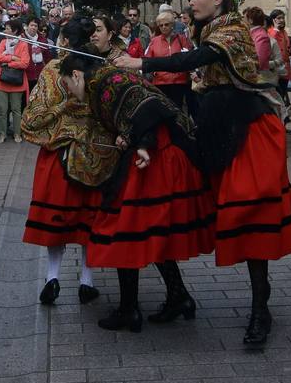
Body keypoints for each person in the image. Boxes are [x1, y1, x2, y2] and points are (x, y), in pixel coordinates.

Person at [116, 0, 291, 348]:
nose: (191, 2)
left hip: (247, 128)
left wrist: (142, 64)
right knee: (174, 201)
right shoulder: (210, 28)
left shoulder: (231, 30)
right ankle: (177, 292)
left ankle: (259, 307)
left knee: (248, 214)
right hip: (215, 125)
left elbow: (198, 60)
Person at [59, 56, 212, 333]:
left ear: (77, 75)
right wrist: (129, 136)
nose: (69, 90)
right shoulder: (105, 81)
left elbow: (149, 106)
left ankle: (129, 309)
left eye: (67, 83)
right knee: (152, 231)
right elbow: (133, 112)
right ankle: (179, 296)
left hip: (156, 158)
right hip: (161, 155)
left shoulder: (106, 83)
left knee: (123, 229)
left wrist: (141, 142)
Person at [19, 16, 109, 307]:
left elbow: (32, 118)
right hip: (93, 154)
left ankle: (52, 276)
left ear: (66, 41)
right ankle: (86, 280)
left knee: (55, 219)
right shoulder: (100, 66)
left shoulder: (52, 69)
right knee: (88, 219)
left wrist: (61, 107)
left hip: (58, 155)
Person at [145, 10, 193, 113]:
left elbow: (188, 58)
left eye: (166, 24)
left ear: (172, 25)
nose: (163, 27)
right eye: (161, 25)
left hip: (179, 82)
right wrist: (153, 72)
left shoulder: (182, 39)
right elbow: (148, 59)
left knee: (179, 112)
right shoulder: (154, 41)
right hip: (160, 83)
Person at [0, 18, 31, 142]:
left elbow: (25, 63)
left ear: (15, 31)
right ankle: (2, 133)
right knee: (2, 110)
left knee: (16, 109)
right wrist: (13, 58)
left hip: (17, 81)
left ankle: (17, 134)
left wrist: (8, 64)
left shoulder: (23, 43)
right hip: (1, 81)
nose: (6, 30)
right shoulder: (3, 42)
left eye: (8, 29)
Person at [268, 10, 291, 109]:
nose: (282, 20)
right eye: (279, 18)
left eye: (283, 18)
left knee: (282, 92)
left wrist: (290, 50)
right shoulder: (271, 32)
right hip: (275, 69)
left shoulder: (284, 32)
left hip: (285, 68)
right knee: (277, 95)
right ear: (273, 20)